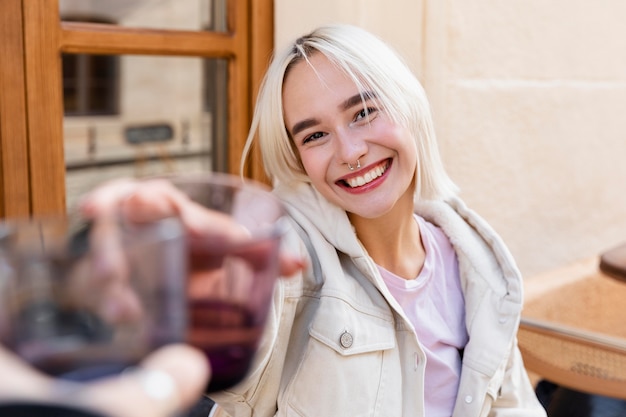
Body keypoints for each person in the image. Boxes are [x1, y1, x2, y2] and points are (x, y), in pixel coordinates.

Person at [81, 24, 547, 416]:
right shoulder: (292, 260)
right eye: (316, 134)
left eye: (364, 112)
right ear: (299, 159)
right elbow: (232, 317)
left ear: (409, 106)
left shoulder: (475, 260)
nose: (350, 152)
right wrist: (164, 270)